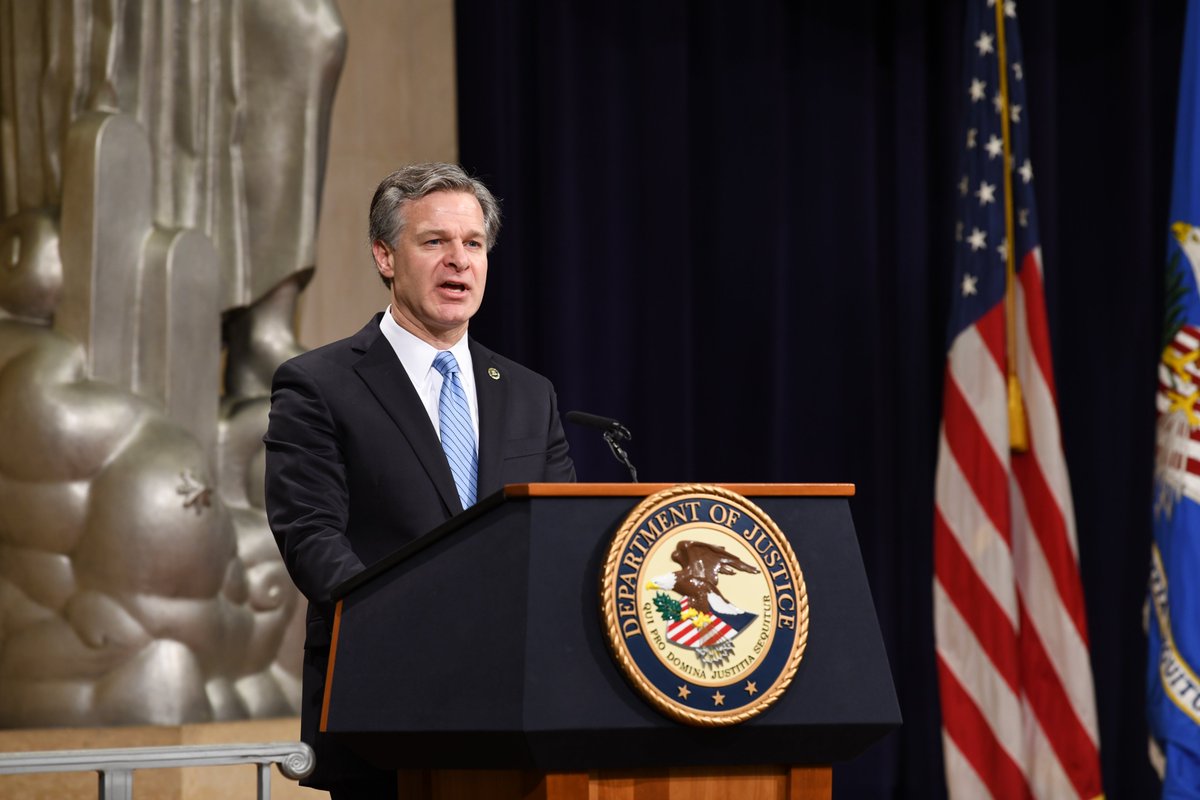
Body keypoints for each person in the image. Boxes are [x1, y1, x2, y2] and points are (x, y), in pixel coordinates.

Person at [263, 162, 576, 797]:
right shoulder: (318, 385)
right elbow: (312, 537)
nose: (459, 260)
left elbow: (562, 538)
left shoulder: (528, 393)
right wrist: (419, 627)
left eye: (474, 243)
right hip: (386, 711)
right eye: (434, 241)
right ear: (385, 256)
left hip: (519, 714)